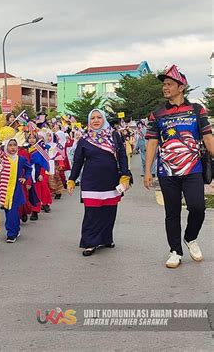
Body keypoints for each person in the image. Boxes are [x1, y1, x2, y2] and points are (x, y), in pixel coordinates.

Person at [144, 65, 214, 268]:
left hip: (193, 169)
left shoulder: (197, 110)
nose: (165, 88)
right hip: (167, 171)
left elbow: (208, 139)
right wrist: (148, 171)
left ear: (181, 87)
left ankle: (190, 238)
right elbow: (152, 143)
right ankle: (175, 250)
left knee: (198, 208)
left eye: (169, 84)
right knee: (172, 212)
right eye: (164, 84)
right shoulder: (156, 114)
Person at [67, 109, 130, 256]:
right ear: (89, 121)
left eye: (99, 117)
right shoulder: (84, 139)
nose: (96, 120)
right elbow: (77, 162)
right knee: (92, 213)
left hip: (111, 180)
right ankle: (90, 242)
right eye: (93, 118)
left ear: (104, 119)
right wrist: (71, 179)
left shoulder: (114, 136)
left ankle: (106, 238)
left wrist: (125, 175)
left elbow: (122, 156)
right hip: (91, 182)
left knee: (109, 212)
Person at [0, 138, 32, 243]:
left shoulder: (20, 159)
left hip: (16, 190)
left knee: (13, 212)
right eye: (10, 145)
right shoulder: (4, 158)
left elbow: (29, 168)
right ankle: (15, 229)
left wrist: (25, 177)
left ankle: (11, 234)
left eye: (14, 145)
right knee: (8, 211)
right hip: (5, 189)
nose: (12, 148)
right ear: (6, 147)